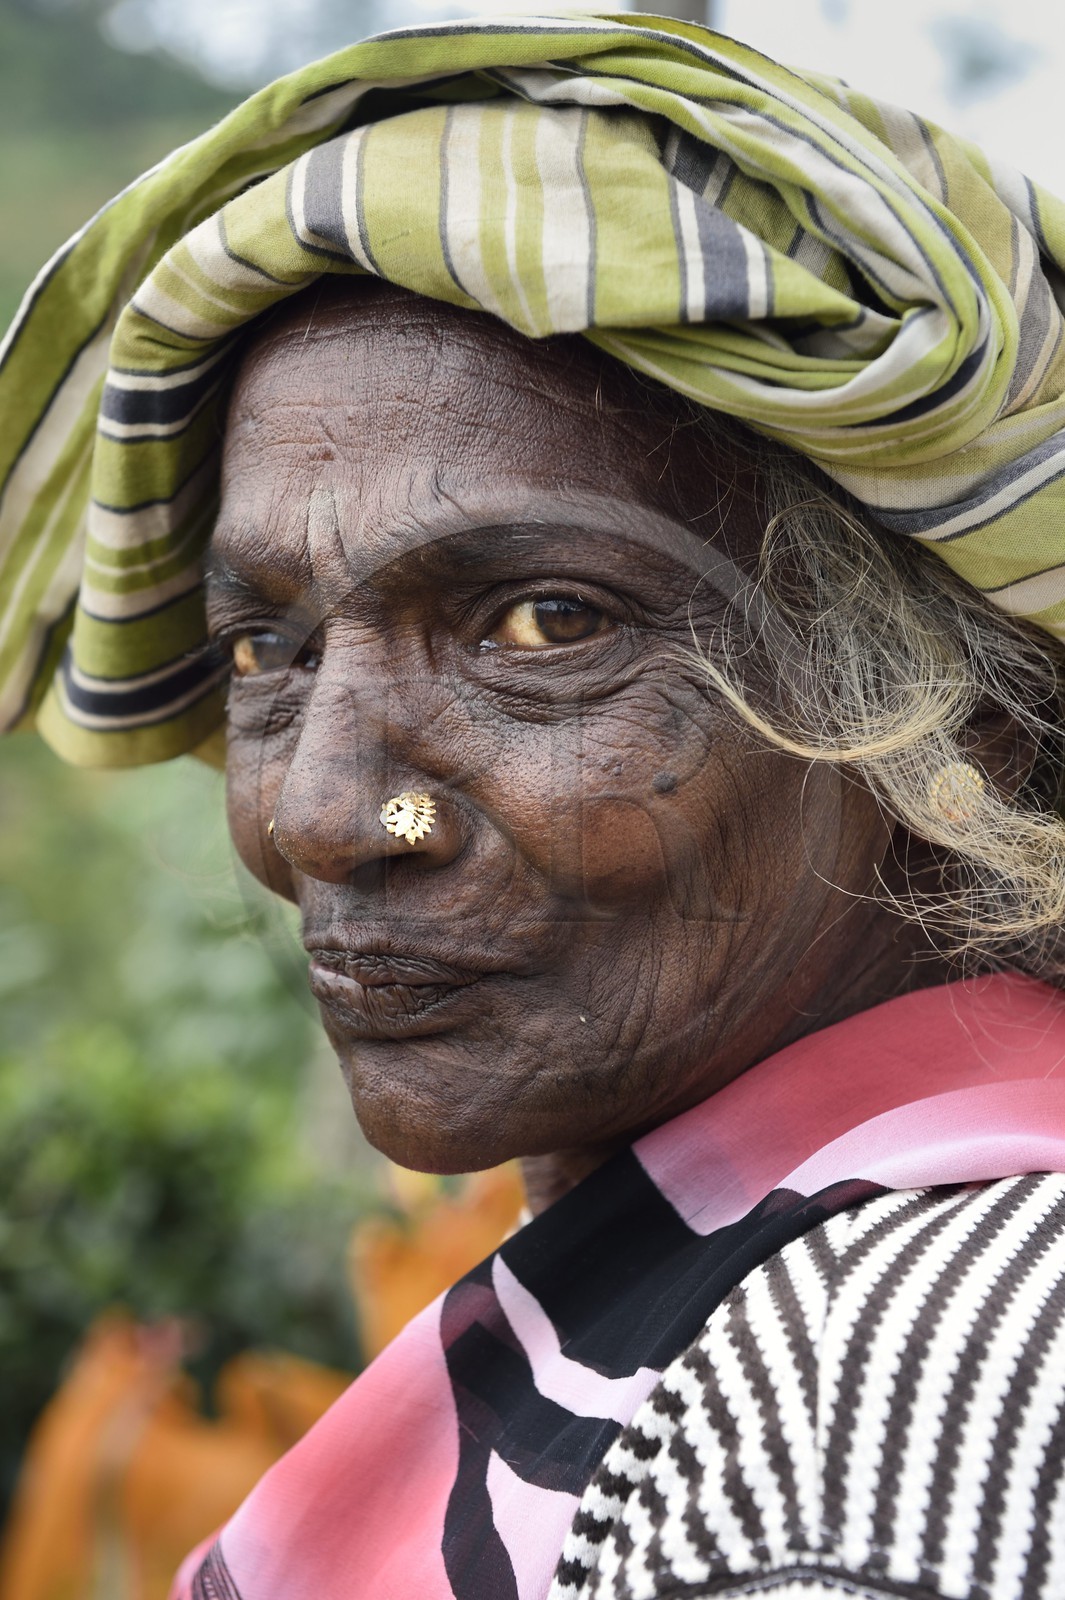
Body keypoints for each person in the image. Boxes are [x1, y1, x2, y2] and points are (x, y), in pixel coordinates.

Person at [4, 13, 1065, 1598]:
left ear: (943, 714)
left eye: (544, 626)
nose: (317, 813)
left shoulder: (893, 1397)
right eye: (267, 647)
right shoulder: (705, 1305)